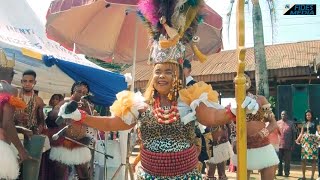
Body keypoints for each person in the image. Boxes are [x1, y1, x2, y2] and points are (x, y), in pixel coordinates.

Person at [58, 1, 266, 178]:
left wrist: (233, 111)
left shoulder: (190, 100)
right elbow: (114, 123)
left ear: (178, 74)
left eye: (168, 71)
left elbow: (211, 117)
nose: (161, 76)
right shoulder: (139, 104)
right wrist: (81, 116)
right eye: (158, 71)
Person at [230, 74, 279, 180]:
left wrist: (261, 134)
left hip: (263, 146)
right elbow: (232, 127)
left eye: (244, 78)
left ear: (249, 82)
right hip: (243, 147)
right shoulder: (233, 104)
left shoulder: (261, 100)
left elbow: (273, 123)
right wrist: (234, 141)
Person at [47, 81, 92, 180]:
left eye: (85, 93)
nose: (82, 94)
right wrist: (64, 112)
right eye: (79, 91)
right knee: (59, 175)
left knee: (84, 175)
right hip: (64, 143)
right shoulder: (66, 102)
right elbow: (53, 114)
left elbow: (92, 121)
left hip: (80, 142)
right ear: (73, 91)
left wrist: (88, 110)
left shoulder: (87, 105)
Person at [0, 60, 31, 179]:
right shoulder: (9, 89)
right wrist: (21, 150)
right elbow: (7, 123)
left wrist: (20, 128)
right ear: (12, 75)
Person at [15, 70, 45, 135]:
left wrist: (37, 132)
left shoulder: (38, 100)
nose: (27, 84)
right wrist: (16, 117)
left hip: (31, 134)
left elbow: (41, 121)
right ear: (21, 82)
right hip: (15, 132)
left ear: (35, 82)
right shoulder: (14, 96)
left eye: (30, 81)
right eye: (25, 81)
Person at [296, 110, 319, 180]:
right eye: (306, 115)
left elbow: (319, 131)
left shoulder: (315, 122)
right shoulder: (304, 123)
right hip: (305, 143)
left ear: (311, 115)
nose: (308, 116)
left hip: (313, 143)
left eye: (309, 115)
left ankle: (312, 177)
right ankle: (303, 176)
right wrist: (298, 139)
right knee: (303, 159)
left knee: (313, 160)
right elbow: (301, 133)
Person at [277, 110, 296, 177]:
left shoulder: (291, 123)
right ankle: (279, 172)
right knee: (279, 160)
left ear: (287, 115)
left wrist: (293, 144)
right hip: (279, 145)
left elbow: (294, 134)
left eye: (284, 114)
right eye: (282, 114)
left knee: (287, 161)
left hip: (288, 145)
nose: (283, 116)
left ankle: (287, 173)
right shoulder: (278, 123)